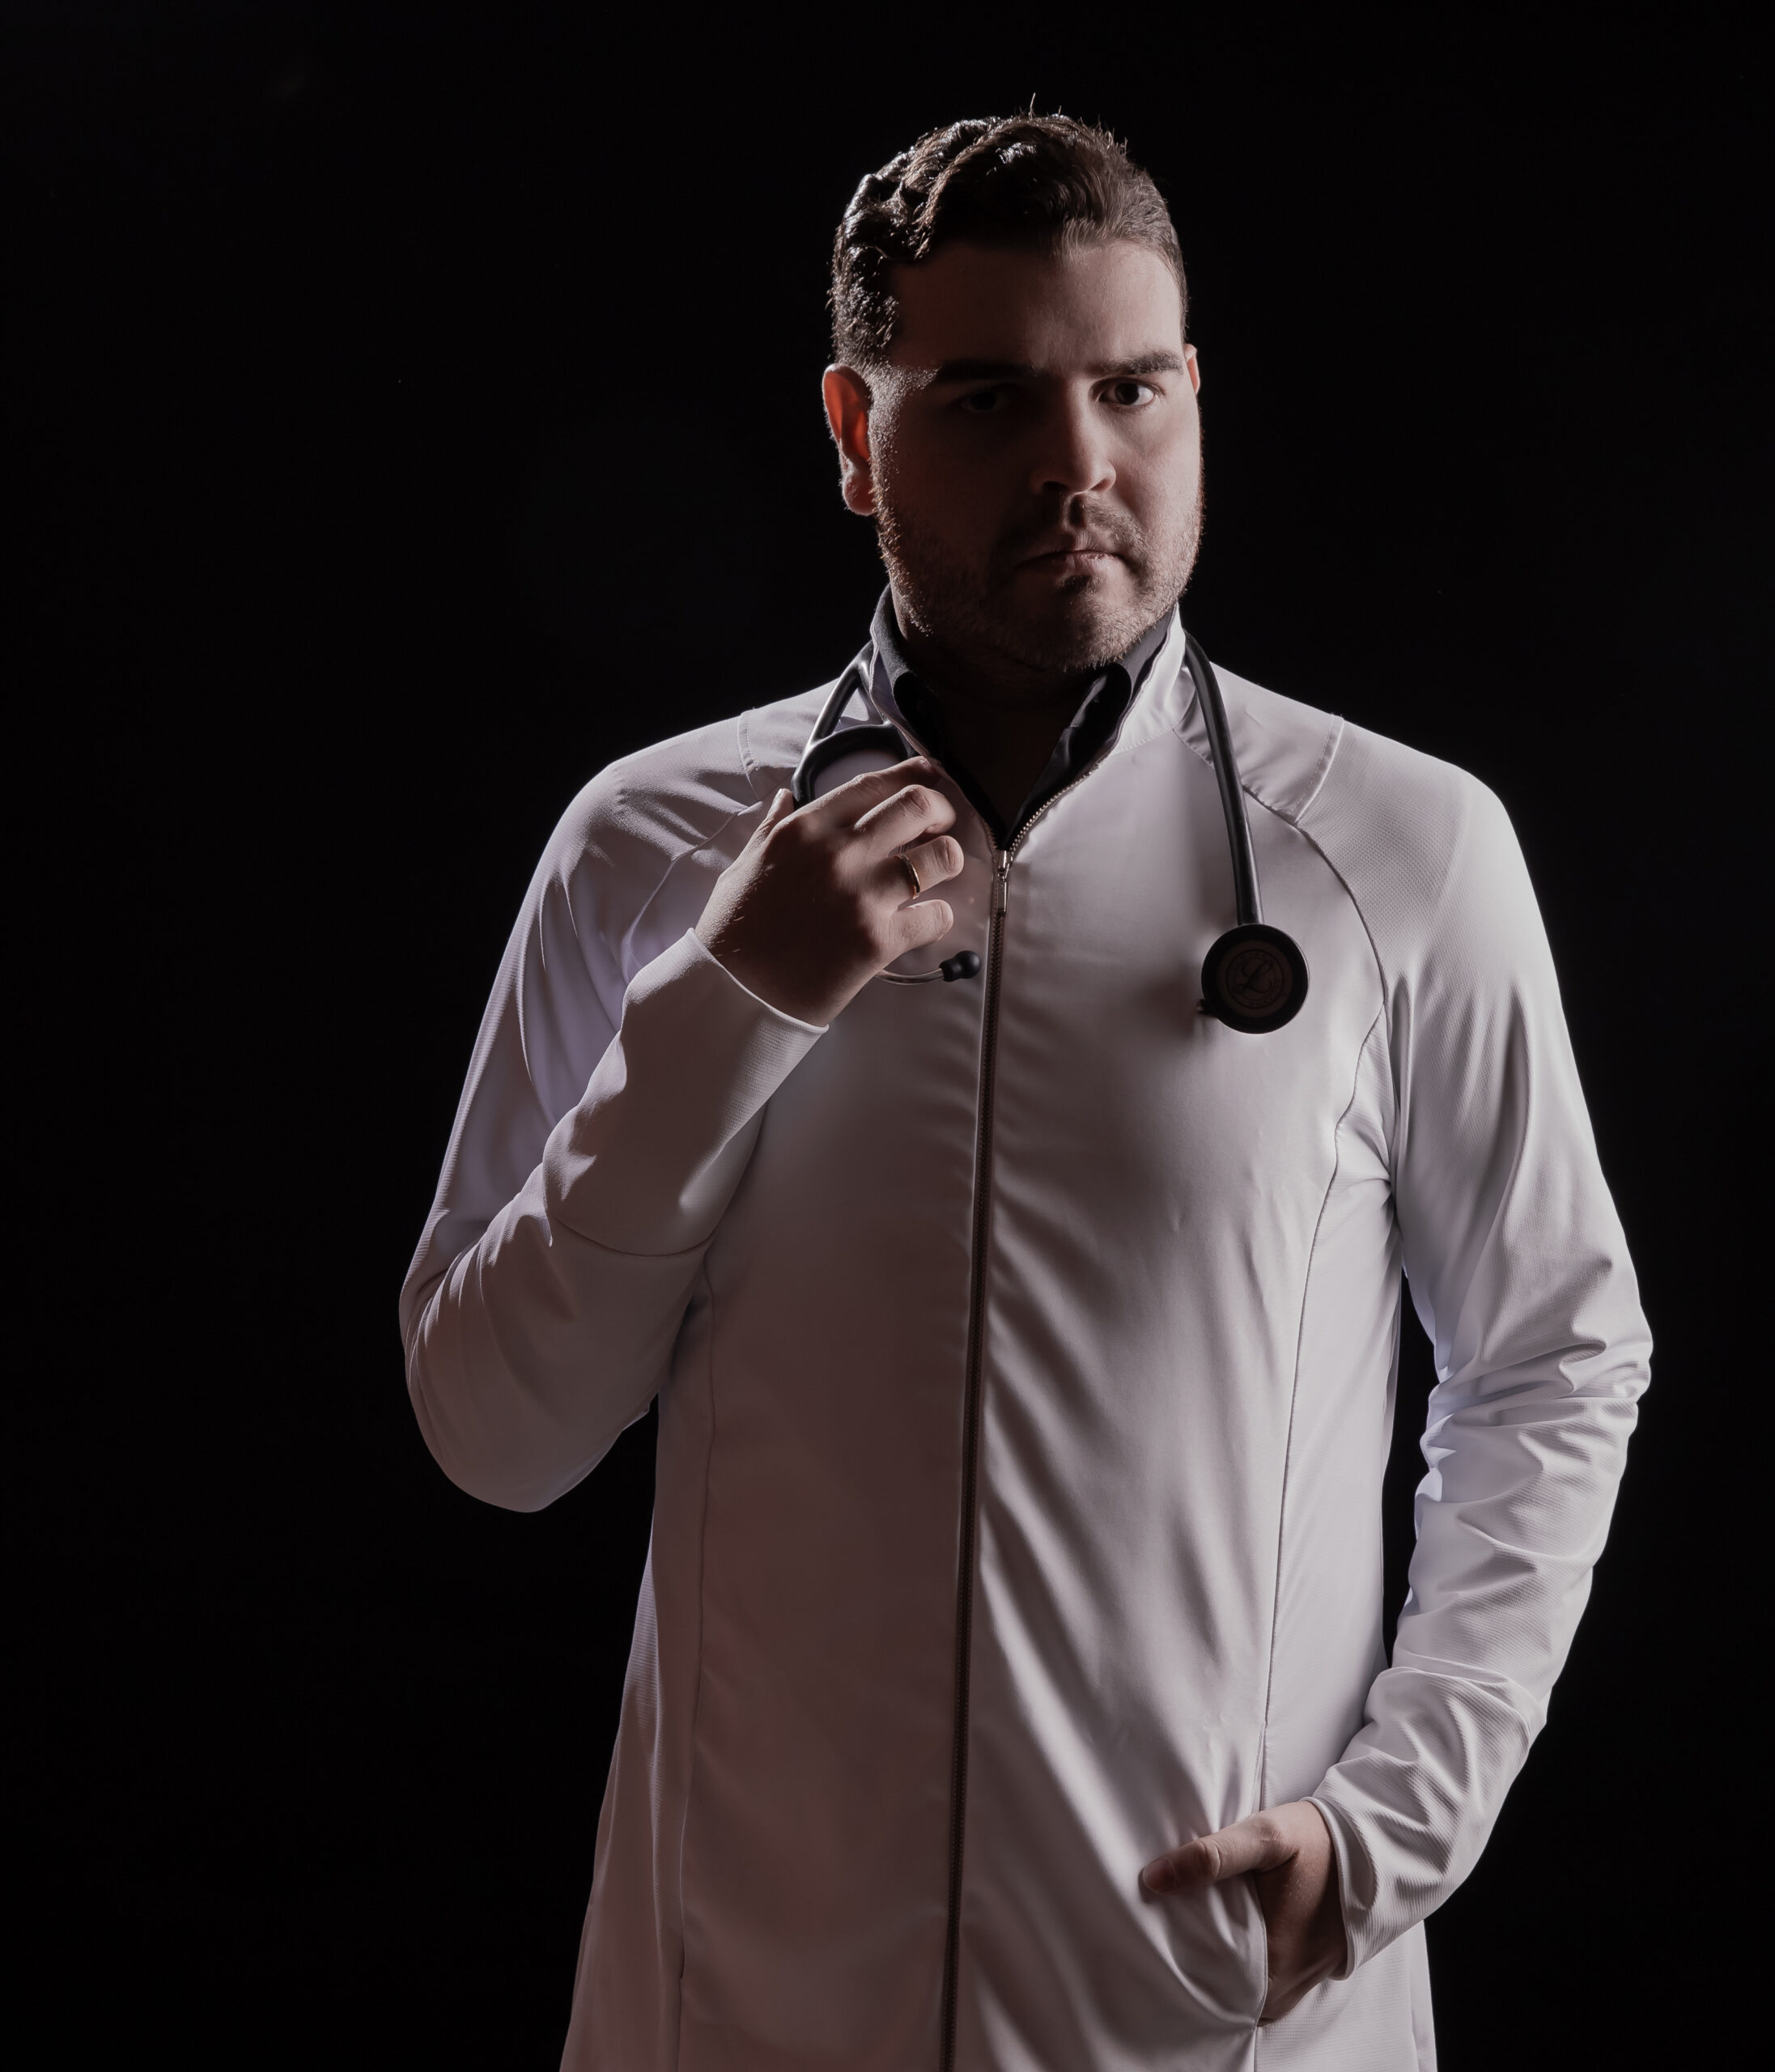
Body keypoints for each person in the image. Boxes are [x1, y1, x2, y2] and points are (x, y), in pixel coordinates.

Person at [401, 113, 1652, 2072]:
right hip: (735, 2013)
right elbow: (496, 1428)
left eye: (1129, 389)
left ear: (1191, 397)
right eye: (987, 399)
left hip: (1218, 2013)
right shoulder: (652, 847)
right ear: (854, 429)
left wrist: (1396, 1818)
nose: (1079, 464)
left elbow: (1552, 1357)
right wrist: (731, 998)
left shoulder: (1399, 851)